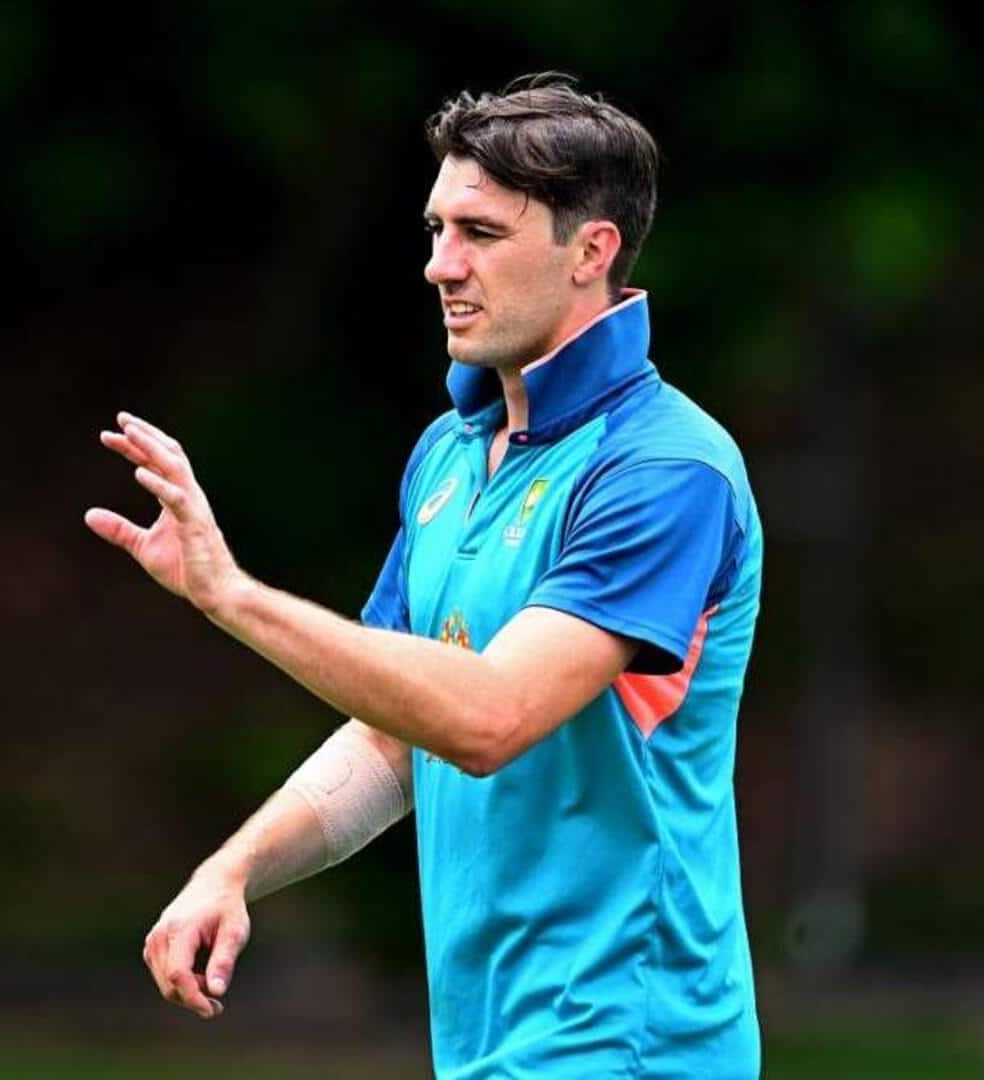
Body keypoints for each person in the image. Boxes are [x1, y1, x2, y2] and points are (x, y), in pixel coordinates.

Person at [85, 72, 765, 1079]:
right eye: (437, 229)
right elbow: (397, 735)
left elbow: (488, 719)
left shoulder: (664, 470)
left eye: (480, 234)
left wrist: (231, 595)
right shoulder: (450, 454)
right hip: (490, 1047)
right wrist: (235, 868)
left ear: (591, 252)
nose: (440, 265)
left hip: (631, 1044)